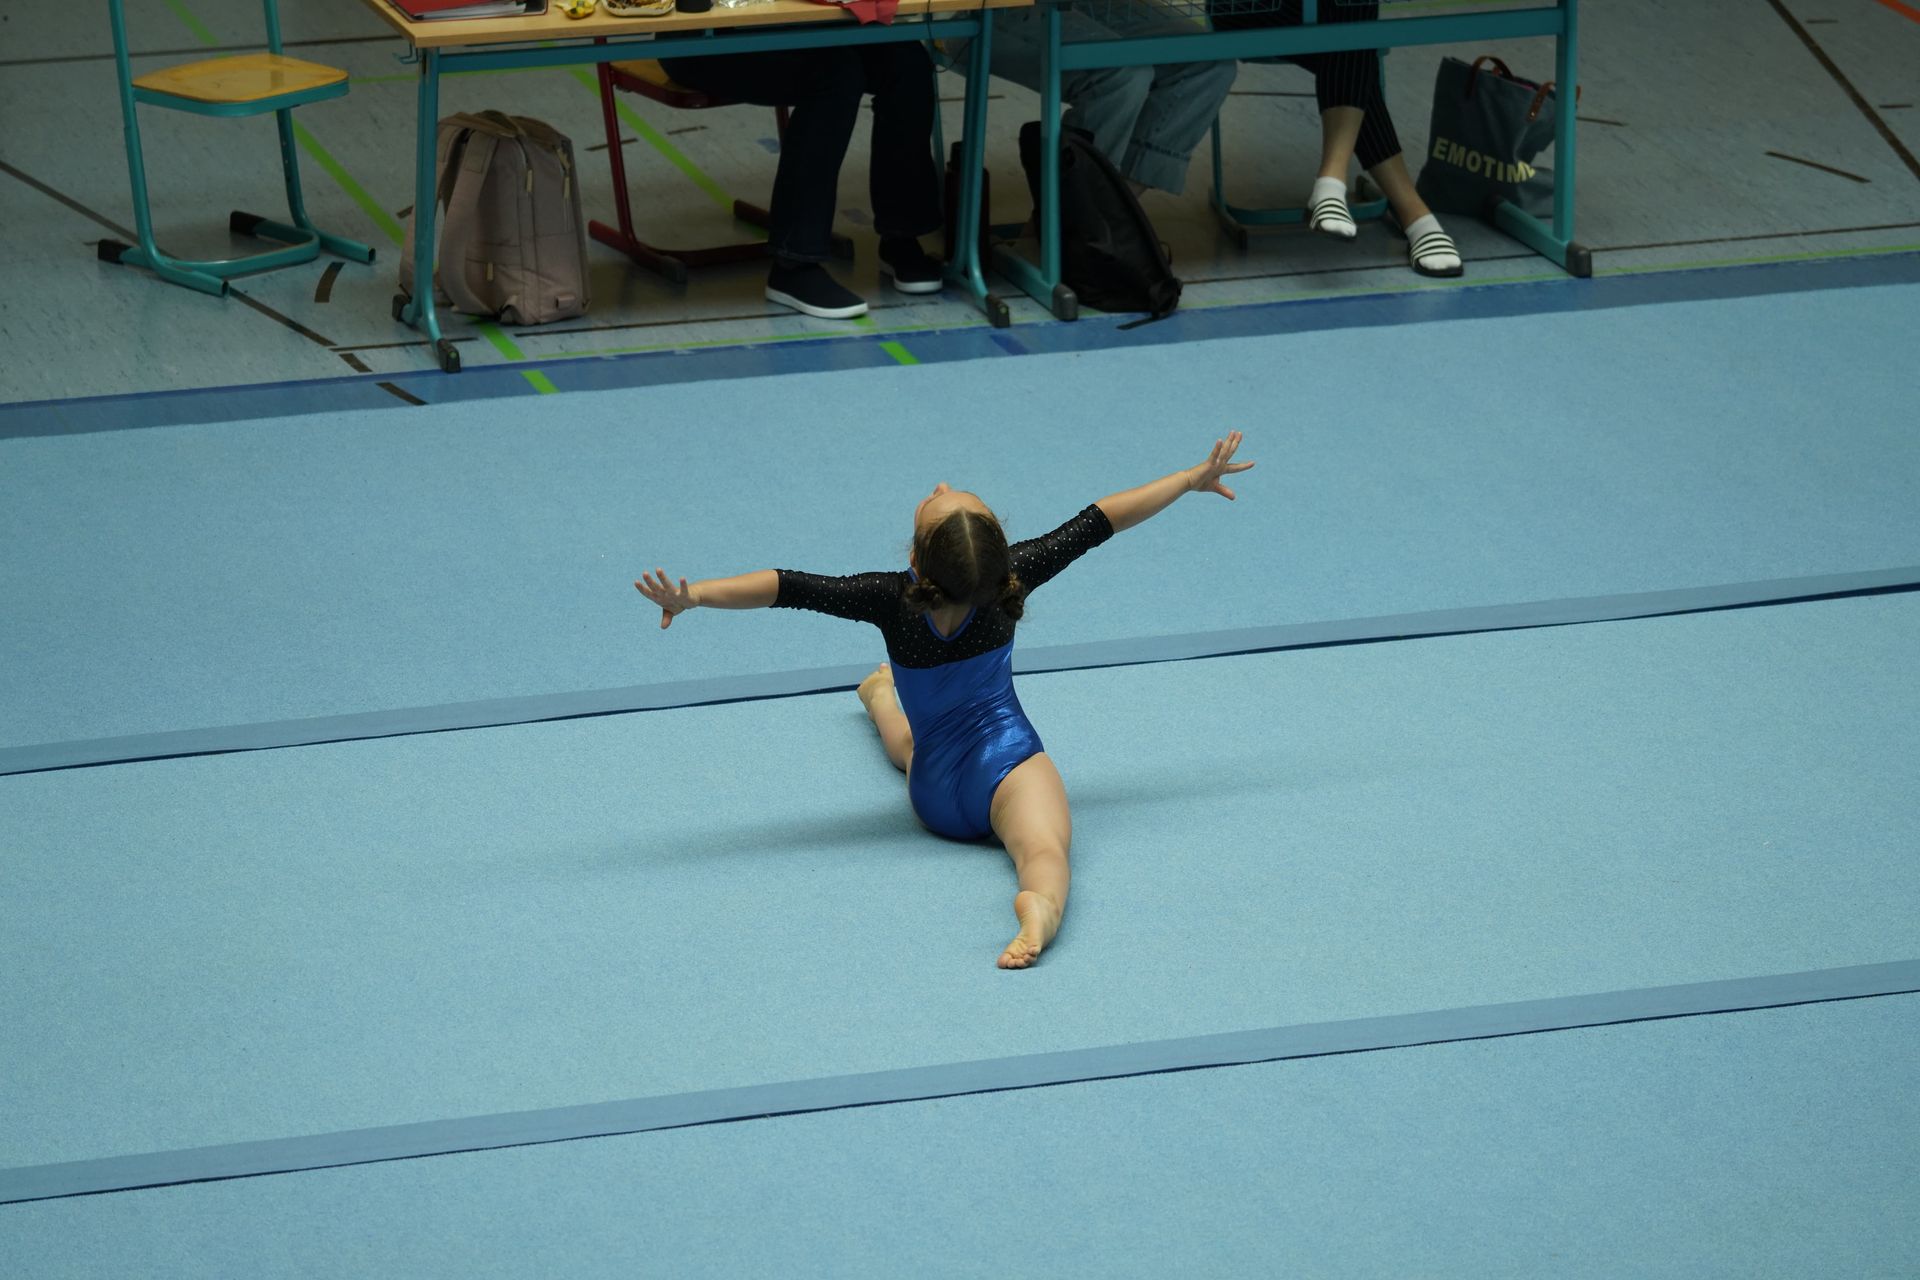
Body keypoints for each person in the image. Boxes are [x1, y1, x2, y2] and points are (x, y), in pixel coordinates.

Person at [633, 433, 1255, 969]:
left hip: (931, 794)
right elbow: (1103, 519)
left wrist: (697, 595)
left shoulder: (888, 597)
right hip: (1008, 767)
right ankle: (1039, 909)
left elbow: (787, 586)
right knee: (1043, 851)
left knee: (911, 742)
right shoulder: (1015, 575)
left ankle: (879, 693)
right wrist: (1188, 478)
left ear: (914, 559)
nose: (943, 487)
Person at [657, 45, 947, 319]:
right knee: (834, 72)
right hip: (706, 45)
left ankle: (900, 236)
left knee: (906, 61)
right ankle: (793, 264)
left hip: (812, 29)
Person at [1211, 0, 1462, 277]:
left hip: (1329, 11)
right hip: (1245, 7)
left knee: (1350, 21)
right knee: (1352, 35)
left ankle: (1331, 188)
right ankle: (1410, 214)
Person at [957, 5, 1237, 201]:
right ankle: (1064, 231)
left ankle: (1104, 222)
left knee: (1209, 61)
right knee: (1122, 74)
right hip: (993, 6)